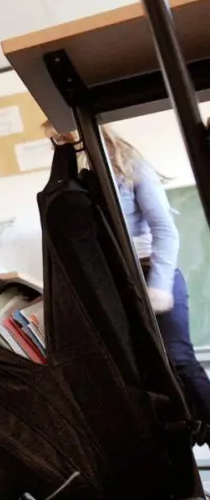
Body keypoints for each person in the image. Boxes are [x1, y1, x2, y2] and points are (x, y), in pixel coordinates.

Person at [96, 128, 210, 430]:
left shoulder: (132, 166)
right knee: (144, 369)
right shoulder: (83, 172)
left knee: (179, 359)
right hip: (118, 280)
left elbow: (165, 230)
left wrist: (158, 285)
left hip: (153, 272)